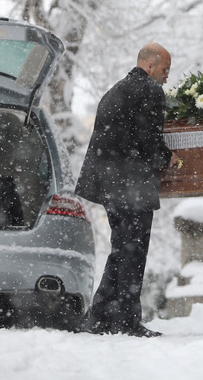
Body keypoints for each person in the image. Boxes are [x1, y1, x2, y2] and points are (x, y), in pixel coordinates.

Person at [75, 42, 179, 337]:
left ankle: (100, 316)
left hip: (109, 185)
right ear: (150, 65)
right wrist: (167, 157)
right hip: (131, 184)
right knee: (133, 251)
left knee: (121, 248)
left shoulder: (114, 91)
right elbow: (147, 137)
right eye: (165, 69)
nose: (166, 76)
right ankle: (127, 321)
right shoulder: (149, 90)